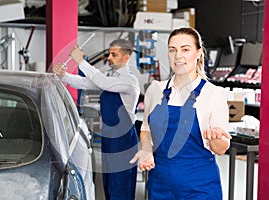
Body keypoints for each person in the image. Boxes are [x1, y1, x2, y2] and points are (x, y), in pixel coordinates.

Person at [130, 27, 231, 200]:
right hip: (160, 185)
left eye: (185, 49)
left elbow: (221, 149)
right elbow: (146, 128)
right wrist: (146, 150)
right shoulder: (156, 90)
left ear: (198, 53)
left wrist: (216, 140)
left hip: (199, 187)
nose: (178, 56)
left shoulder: (213, 94)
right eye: (172, 50)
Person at [53, 38, 140, 200]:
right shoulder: (109, 76)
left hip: (123, 140)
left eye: (114, 55)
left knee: (120, 186)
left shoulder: (129, 80)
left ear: (126, 57)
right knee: (108, 184)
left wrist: (81, 62)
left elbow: (104, 83)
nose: (109, 58)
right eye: (109, 54)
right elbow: (85, 83)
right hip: (109, 136)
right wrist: (63, 76)